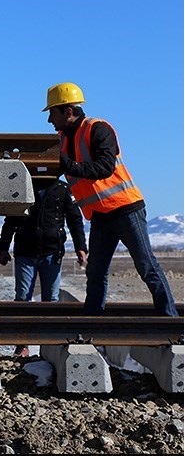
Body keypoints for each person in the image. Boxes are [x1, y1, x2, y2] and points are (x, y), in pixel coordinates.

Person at [43, 81, 178, 316]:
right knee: (95, 272)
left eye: (52, 113)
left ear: (69, 111)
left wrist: (70, 165)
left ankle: (171, 320)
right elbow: (55, 170)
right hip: (101, 214)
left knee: (146, 266)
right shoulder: (63, 141)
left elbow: (105, 167)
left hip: (126, 208)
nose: (49, 121)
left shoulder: (98, 129)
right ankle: (93, 322)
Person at [0, 176, 88, 356]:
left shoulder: (63, 189)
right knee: (23, 299)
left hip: (52, 253)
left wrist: (81, 248)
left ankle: (50, 342)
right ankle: (22, 344)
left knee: (51, 300)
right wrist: (3, 248)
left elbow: (75, 220)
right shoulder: (22, 189)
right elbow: (11, 220)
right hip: (25, 252)